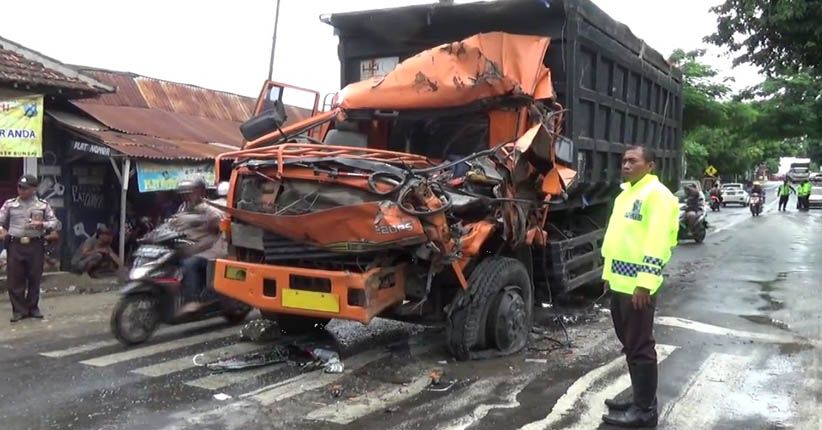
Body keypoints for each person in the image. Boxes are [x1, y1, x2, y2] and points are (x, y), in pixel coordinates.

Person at [600, 146, 679, 428]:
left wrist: (645, 284)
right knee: (630, 345)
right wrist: (608, 275)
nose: (626, 165)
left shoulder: (657, 196)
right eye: (624, 161)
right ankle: (638, 399)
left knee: (640, 346)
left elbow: (658, 243)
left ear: (650, 166)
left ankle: (645, 411)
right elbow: (619, 240)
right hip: (621, 284)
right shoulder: (626, 194)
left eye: (633, 161)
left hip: (638, 288)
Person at [0, 175, 60, 322]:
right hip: (15, 244)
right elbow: (0, 221)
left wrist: (42, 225)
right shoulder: (10, 204)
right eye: (19, 187)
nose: (21, 190)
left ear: (33, 189)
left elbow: (55, 223)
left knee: (35, 277)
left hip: (35, 244)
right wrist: (2, 231)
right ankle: (19, 310)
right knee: (15, 279)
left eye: (25, 188)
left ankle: (33, 307)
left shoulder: (42, 205)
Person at [172, 178, 224, 315]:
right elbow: (173, 223)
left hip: (209, 248)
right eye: (184, 194)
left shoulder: (209, 207)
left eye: (189, 193)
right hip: (190, 247)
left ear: (200, 192)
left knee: (190, 264)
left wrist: (201, 221)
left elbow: (217, 222)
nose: (186, 197)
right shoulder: (183, 208)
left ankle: (193, 300)